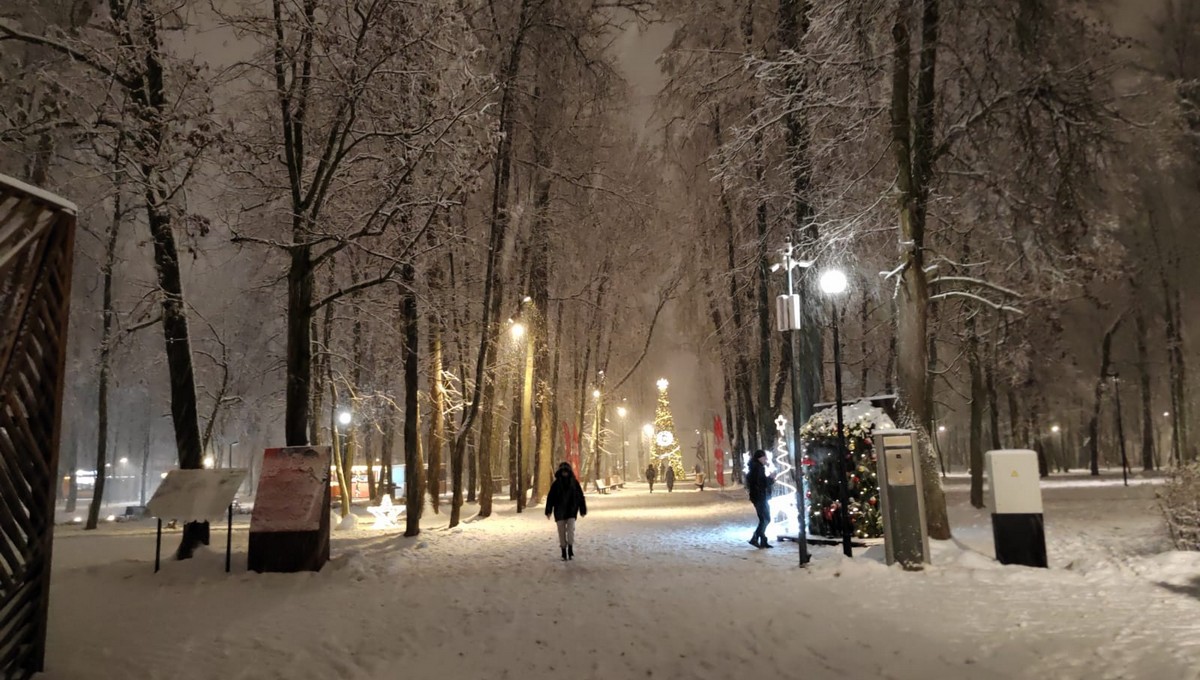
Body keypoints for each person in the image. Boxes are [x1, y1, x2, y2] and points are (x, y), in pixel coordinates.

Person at [545, 462, 587, 561]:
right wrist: (548, 510)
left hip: (571, 511)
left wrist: (582, 509)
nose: (564, 473)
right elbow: (550, 498)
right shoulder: (556, 484)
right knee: (561, 532)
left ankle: (570, 548)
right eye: (563, 472)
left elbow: (580, 496)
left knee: (571, 531)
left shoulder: (574, 483)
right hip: (559, 512)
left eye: (566, 471)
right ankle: (563, 550)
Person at [746, 449, 775, 548]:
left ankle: (763, 540)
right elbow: (761, 483)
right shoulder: (758, 468)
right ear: (759, 458)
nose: (766, 459)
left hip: (757, 496)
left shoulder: (755, 467)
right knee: (766, 519)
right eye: (764, 457)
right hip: (760, 497)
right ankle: (754, 538)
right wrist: (770, 479)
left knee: (763, 519)